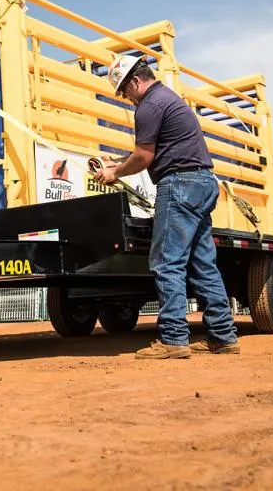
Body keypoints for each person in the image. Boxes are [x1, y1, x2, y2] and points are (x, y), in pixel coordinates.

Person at [93, 55, 239, 358]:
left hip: (179, 185)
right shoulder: (167, 99)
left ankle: (173, 339)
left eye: (124, 91)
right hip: (202, 183)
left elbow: (143, 157)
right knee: (203, 265)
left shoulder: (149, 106)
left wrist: (115, 173)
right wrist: (116, 164)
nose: (127, 98)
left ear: (135, 81)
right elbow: (154, 151)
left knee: (166, 262)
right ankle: (223, 337)